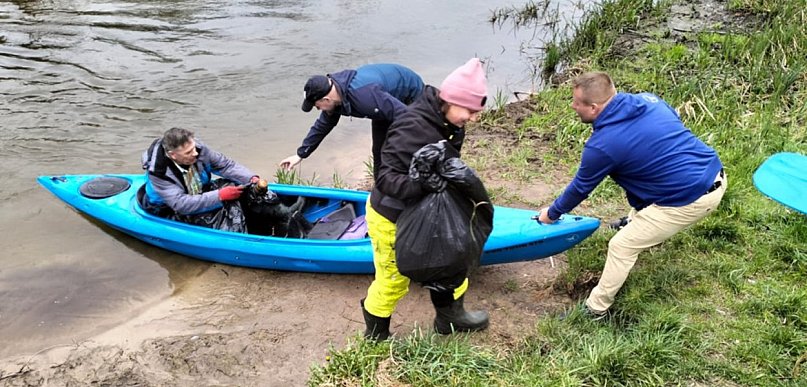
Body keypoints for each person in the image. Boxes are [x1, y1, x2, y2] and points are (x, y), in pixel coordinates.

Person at [538, 72, 727, 318]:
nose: (572, 106)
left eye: (577, 102)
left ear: (594, 108)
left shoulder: (603, 145)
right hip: (714, 170)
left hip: (691, 198)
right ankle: (637, 221)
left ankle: (596, 308)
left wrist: (551, 214)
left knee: (621, 246)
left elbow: (580, 188)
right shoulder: (650, 100)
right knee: (649, 176)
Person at [360, 58, 490, 340]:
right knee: (393, 281)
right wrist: (421, 184)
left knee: (454, 260)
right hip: (391, 215)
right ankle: (375, 335)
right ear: (452, 100)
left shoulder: (451, 123)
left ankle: (450, 319)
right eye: (470, 110)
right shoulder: (412, 126)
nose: (473, 118)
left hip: (428, 210)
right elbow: (385, 178)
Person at [278, 63, 424, 178]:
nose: (319, 110)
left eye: (317, 106)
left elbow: (408, 118)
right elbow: (322, 126)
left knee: (403, 145)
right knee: (379, 151)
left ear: (326, 99)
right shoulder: (335, 98)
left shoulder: (366, 97)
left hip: (409, 94)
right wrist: (300, 154)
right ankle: (380, 190)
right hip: (384, 103)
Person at [140, 127, 259, 232]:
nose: (195, 153)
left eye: (193, 148)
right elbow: (181, 204)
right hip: (168, 209)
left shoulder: (198, 149)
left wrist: (250, 177)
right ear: (173, 155)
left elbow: (225, 165)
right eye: (188, 152)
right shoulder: (159, 173)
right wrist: (220, 196)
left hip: (197, 190)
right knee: (222, 216)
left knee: (234, 185)